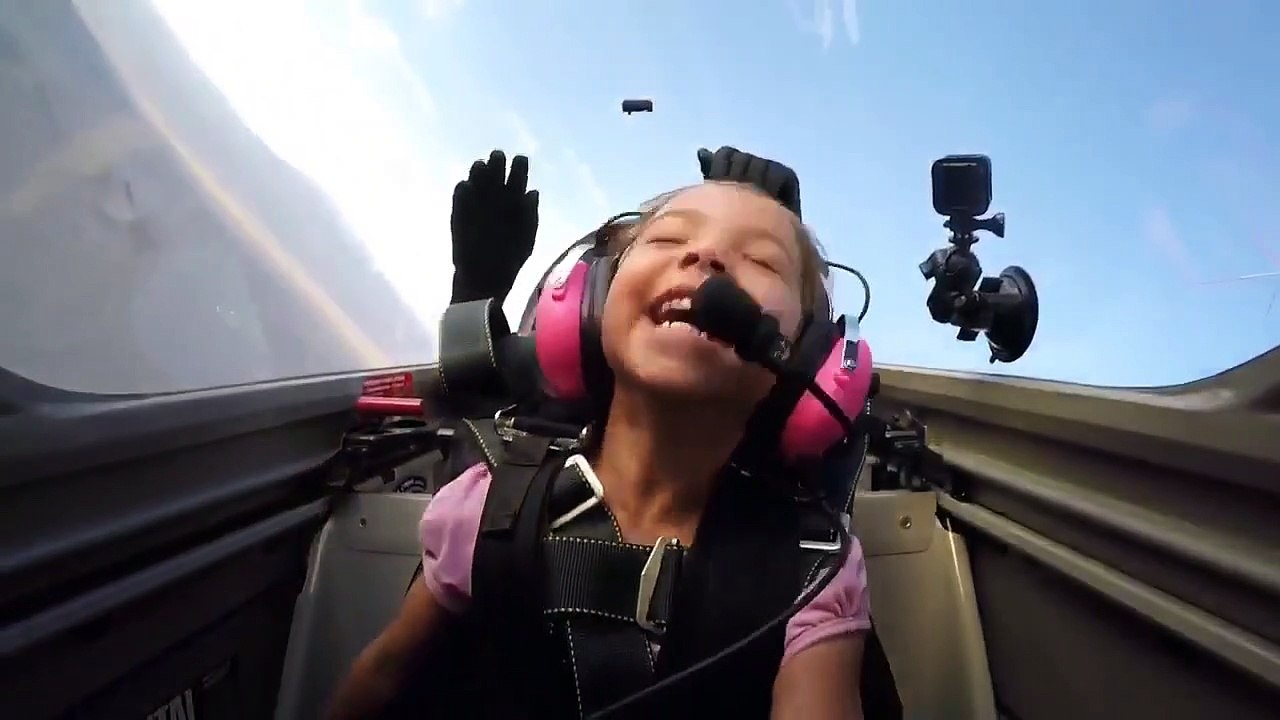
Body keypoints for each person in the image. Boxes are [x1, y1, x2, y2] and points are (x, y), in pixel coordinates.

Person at [331, 175, 874, 719]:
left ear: (807, 361)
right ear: (587, 307)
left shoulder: (815, 568)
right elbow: (382, 679)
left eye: (762, 260)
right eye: (667, 240)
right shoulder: (487, 508)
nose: (707, 254)